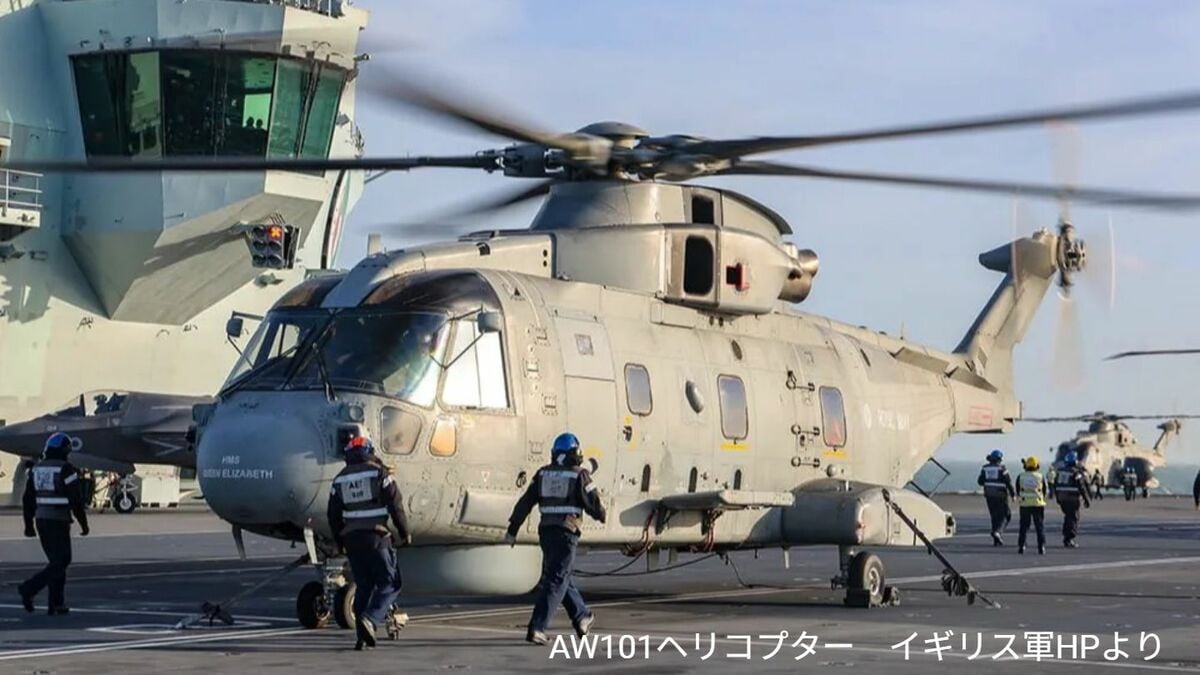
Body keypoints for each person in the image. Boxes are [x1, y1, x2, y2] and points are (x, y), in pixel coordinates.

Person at [506, 432, 607, 646]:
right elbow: (593, 502)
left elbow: (526, 501)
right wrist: (601, 515)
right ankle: (537, 627)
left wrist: (513, 528)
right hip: (566, 532)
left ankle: (582, 617)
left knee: (559, 575)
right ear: (574, 453)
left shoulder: (543, 474)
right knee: (557, 579)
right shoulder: (579, 475)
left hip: (546, 533)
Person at [327, 435, 410, 651]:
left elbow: (333, 515)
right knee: (390, 583)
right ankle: (371, 619)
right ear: (370, 451)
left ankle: (361, 637)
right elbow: (396, 505)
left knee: (364, 585)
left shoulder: (339, 479)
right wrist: (404, 533)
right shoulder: (379, 474)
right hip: (377, 537)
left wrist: (339, 542)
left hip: (352, 541)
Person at [18, 433, 90, 615]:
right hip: (58, 520)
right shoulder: (66, 469)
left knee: (56, 562)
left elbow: (28, 499)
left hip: (41, 520)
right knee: (62, 560)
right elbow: (76, 499)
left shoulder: (37, 469)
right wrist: (84, 524)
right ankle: (29, 588)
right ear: (65, 451)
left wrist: (28, 525)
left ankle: (56, 603)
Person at [976, 449, 1015, 546]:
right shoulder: (1002, 469)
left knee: (994, 516)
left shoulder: (985, 468)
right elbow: (1008, 482)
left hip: (989, 495)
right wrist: (1013, 494)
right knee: (1006, 515)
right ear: (999, 459)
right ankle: (998, 532)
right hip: (1001, 495)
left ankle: (996, 539)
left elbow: (980, 482)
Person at [1053, 451, 1091, 548]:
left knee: (1067, 516)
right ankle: (1069, 538)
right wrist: (1086, 499)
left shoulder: (1060, 471)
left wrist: (1057, 497)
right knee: (1073, 517)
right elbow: (1081, 486)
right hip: (1072, 498)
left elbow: (1055, 485)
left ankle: (1066, 536)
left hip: (1062, 498)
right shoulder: (1076, 472)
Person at [1015, 456, 1048, 555]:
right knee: (1039, 526)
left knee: (1024, 527)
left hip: (1025, 504)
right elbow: (1045, 490)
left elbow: (1018, 489)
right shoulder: (1040, 476)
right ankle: (1041, 547)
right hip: (1038, 504)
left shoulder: (1021, 476)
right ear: (1037, 466)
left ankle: (1021, 546)